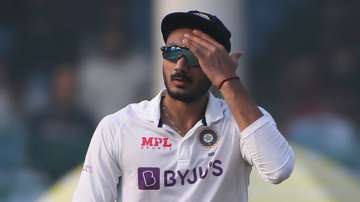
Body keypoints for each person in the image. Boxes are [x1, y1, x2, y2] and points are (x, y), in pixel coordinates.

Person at [73, 10, 295, 202]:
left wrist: (228, 81)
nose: (179, 66)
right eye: (172, 52)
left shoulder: (241, 121)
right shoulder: (118, 126)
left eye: (193, 56)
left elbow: (278, 169)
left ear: (217, 64)